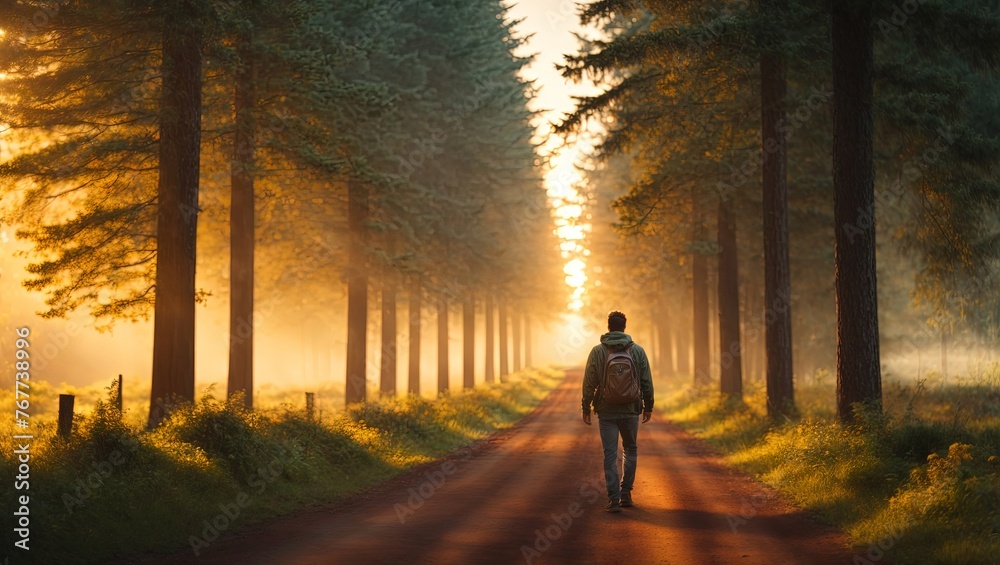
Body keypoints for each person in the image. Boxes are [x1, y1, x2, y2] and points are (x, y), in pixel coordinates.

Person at [581, 310, 654, 513]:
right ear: (624, 327)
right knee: (630, 449)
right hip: (631, 409)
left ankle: (613, 499)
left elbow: (589, 382)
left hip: (606, 410)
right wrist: (649, 406)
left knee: (609, 454)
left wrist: (585, 407)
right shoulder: (637, 351)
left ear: (608, 327)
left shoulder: (597, 351)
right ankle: (626, 494)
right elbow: (646, 381)